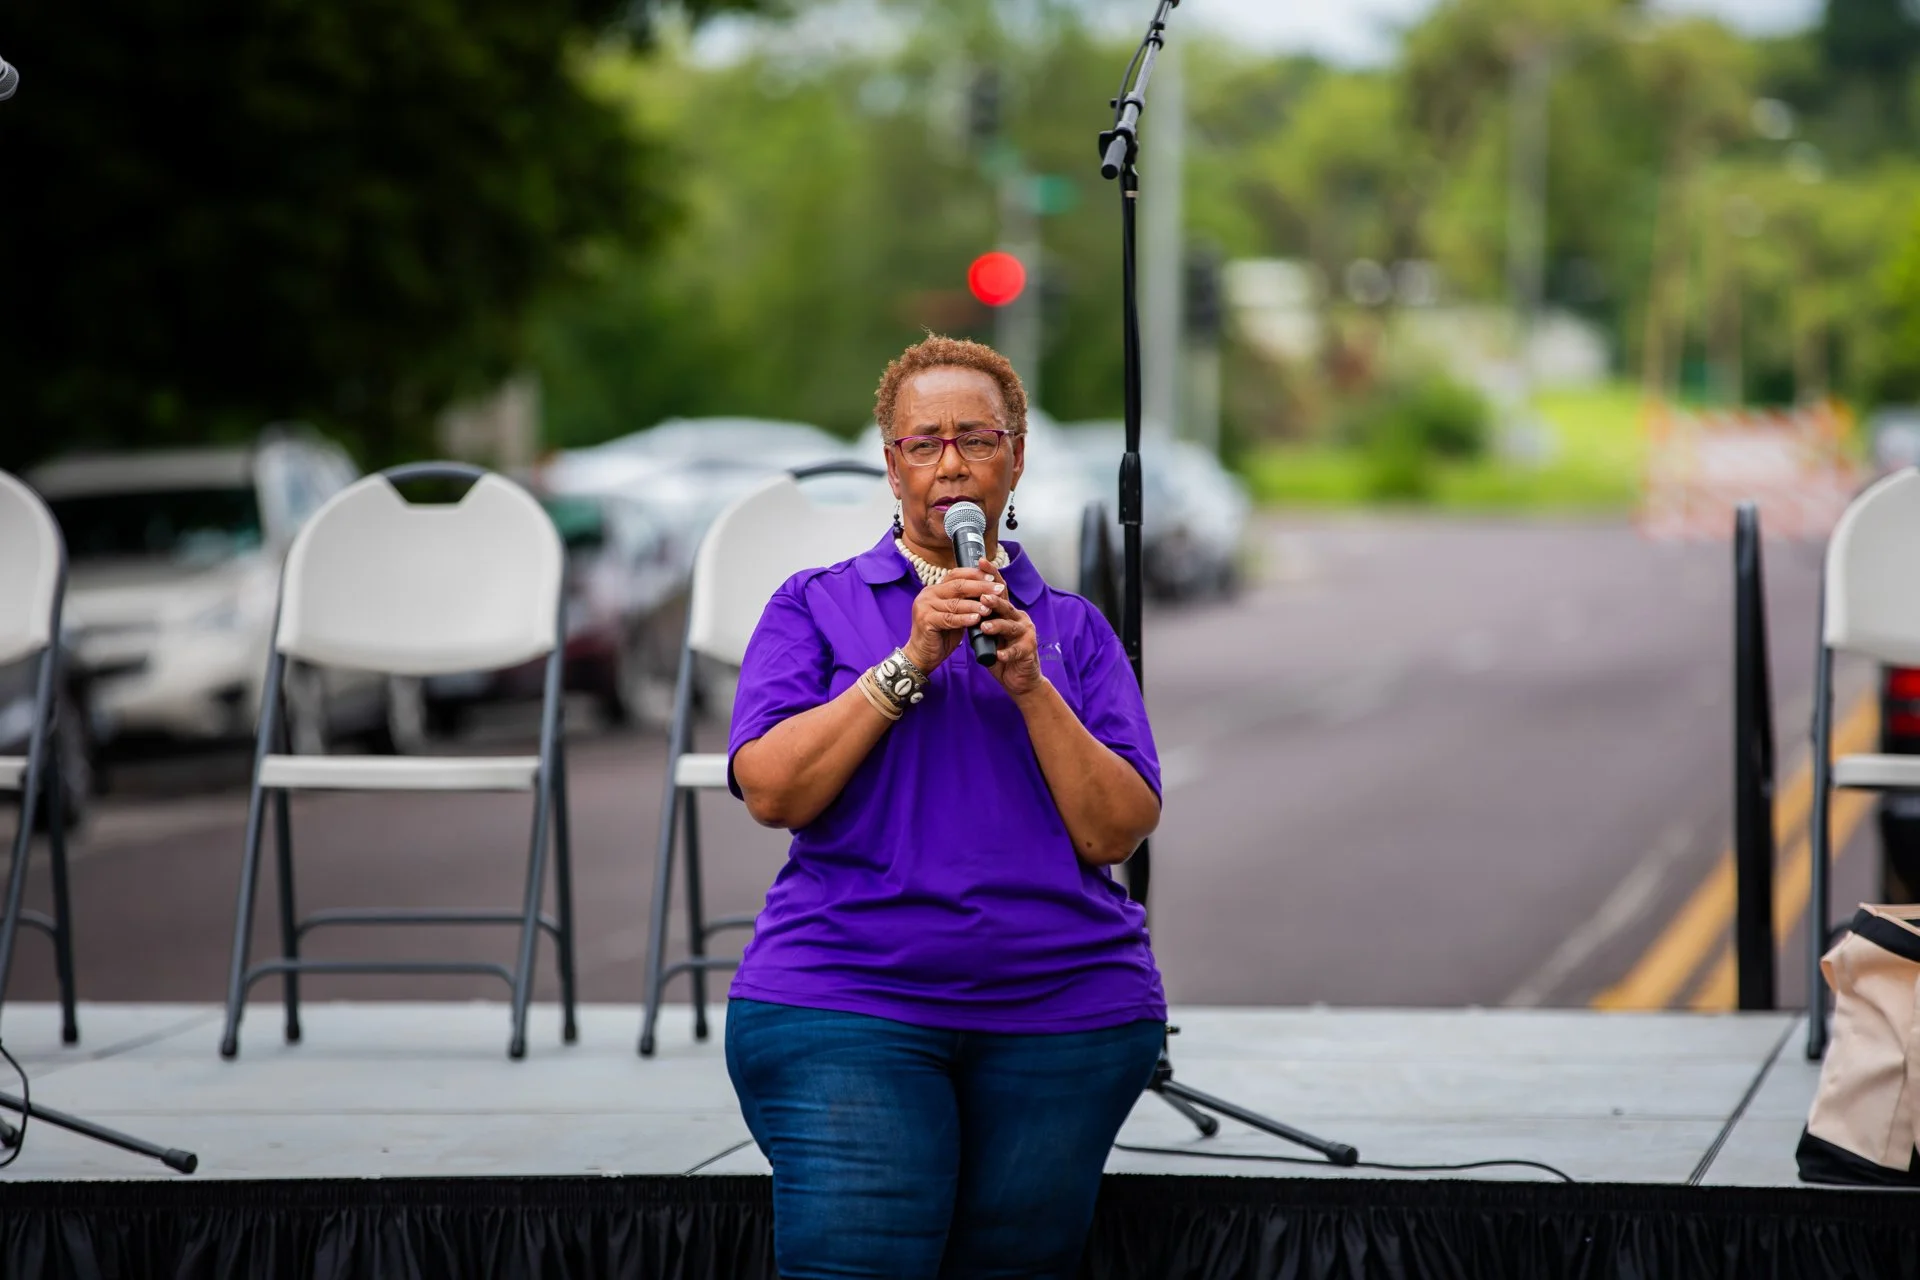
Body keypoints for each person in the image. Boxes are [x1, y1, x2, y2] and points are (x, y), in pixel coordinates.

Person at [724, 335, 1168, 1279]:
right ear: (891, 467)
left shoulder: (1074, 630)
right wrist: (909, 661)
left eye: (977, 438)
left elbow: (1115, 830)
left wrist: (1032, 684)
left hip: (1065, 1011)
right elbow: (772, 790)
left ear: (1016, 457)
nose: (953, 463)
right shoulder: (814, 605)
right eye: (924, 443)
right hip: (847, 996)